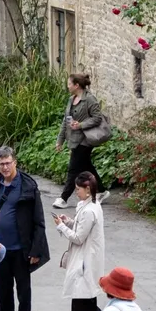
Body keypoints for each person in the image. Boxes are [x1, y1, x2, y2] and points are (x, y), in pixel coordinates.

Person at [0, 146, 50, 311]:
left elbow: (38, 220)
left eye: (8, 163)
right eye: (1, 164)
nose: (5, 167)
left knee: (23, 290)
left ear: (15, 162)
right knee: (4, 288)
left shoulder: (27, 186)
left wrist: (35, 250)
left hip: (21, 248)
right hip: (0, 248)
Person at [55, 172, 106, 311]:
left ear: (87, 189)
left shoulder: (90, 210)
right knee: (85, 303)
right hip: (87, 261)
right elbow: (80, 227)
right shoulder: (90, 206)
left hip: (84, 263)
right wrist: (68, 221)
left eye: (78, 189)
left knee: (82, 304)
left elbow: (78, 238)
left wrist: (61, 226)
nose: (76, 192)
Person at [54, 73, 110, 209]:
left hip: (85, 140)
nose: (67, 86)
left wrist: (81, 125)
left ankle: (63, 198)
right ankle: (102, 191)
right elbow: (65, 121)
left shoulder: (90, 99)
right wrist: (59, 140)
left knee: (73, 168)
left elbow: (97, 118)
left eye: (69, 84)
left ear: (76, 85)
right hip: (73, 139)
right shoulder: (71, 99)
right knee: (87, 166)